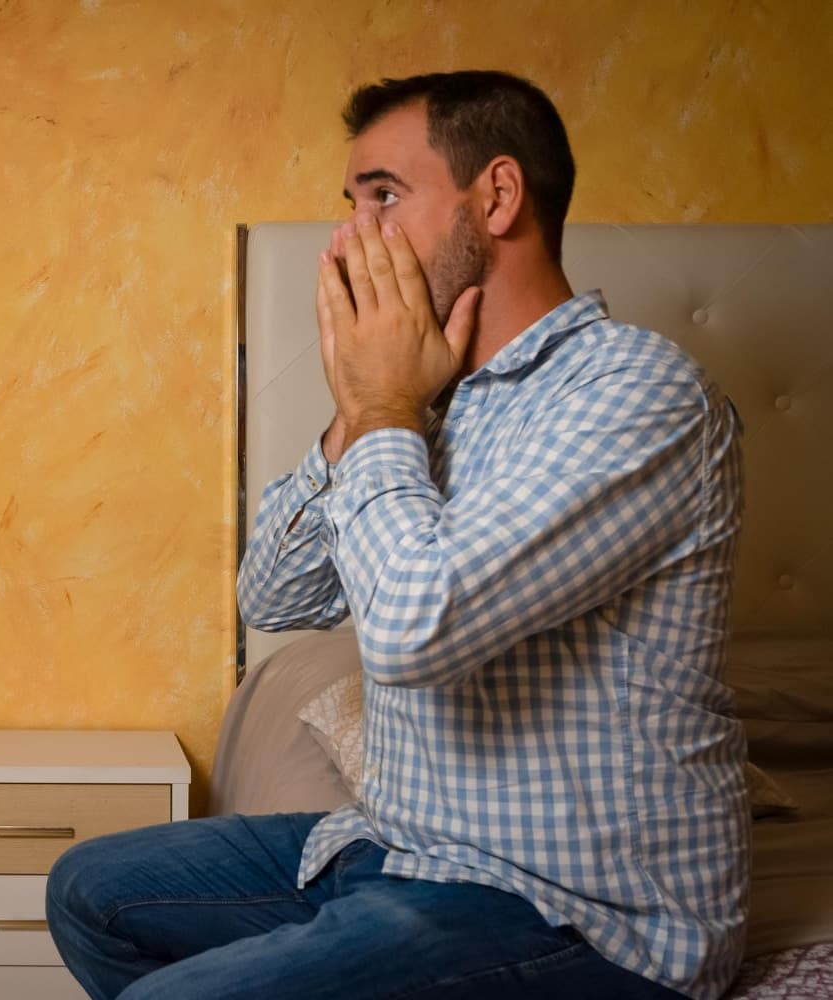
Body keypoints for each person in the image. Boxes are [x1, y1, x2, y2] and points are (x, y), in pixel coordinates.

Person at [46, 70, 747, 1000]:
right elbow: (277, 597)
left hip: (579, 914)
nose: (351, 239)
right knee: (89, 890)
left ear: (496, 197)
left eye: (384, 197)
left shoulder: (635, 393)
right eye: (352, 205)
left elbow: (416, 633)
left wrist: (382, 406)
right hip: (404, 847)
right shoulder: (426, 398)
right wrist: (363, 410)